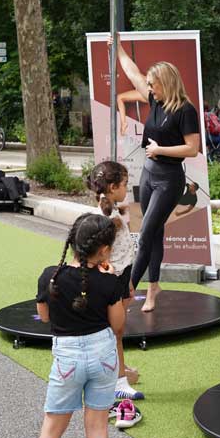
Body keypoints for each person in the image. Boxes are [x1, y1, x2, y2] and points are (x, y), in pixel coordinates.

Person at [0, 214, 124, 438]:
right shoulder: (109, 281)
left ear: (73, 241)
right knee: (98, 424)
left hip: (67, 359)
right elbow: (118, 325)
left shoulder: (51, 276)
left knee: (52, 427)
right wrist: (110, 281)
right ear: (104, 249)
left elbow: (46, 316)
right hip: (102, 355)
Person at [112, 39, 200, 311]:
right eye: (148, 85)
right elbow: (132, 72)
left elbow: (192, 148)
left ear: (166, 83)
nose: (148, 89)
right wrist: (117, 47)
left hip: (168, 179)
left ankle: (127, 291)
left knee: (146, 233)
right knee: (154, 232)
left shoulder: (185, 110)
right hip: (149, 175)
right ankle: (153, 289)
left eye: (153, 84)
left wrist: (161, 148)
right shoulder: (155, 100)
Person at [87, 161, 143, 404]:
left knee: (117, 331)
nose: (126, 189)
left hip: (121, 275)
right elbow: (102, 253)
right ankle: (116, 381)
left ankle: (118, 375)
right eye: (124, 185)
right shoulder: (104, 219)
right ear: (112, 187)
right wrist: (111, 281)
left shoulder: (115, 210)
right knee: (114, 331)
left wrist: (127, 280)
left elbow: (124, 250)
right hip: (110, 277)